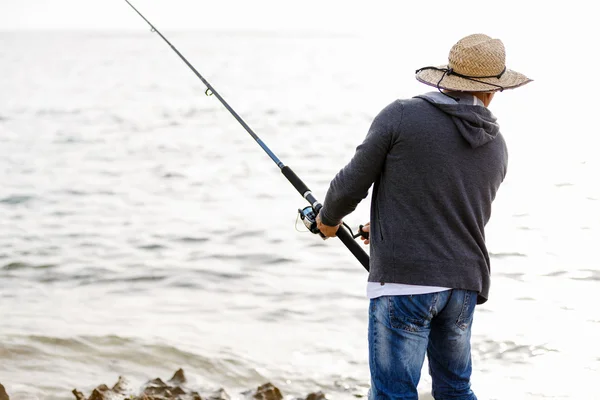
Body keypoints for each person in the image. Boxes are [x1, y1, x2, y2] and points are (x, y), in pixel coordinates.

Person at [316, 34, 532, 399]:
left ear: (447, 76)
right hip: (464, 285)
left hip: (407, 283)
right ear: (494, 91)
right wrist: (384, 226)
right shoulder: (498, 145)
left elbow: (350, 185)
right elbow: (460, 213)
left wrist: (328, 220)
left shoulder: (402, 115)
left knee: (393, 393)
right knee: (455, 389)